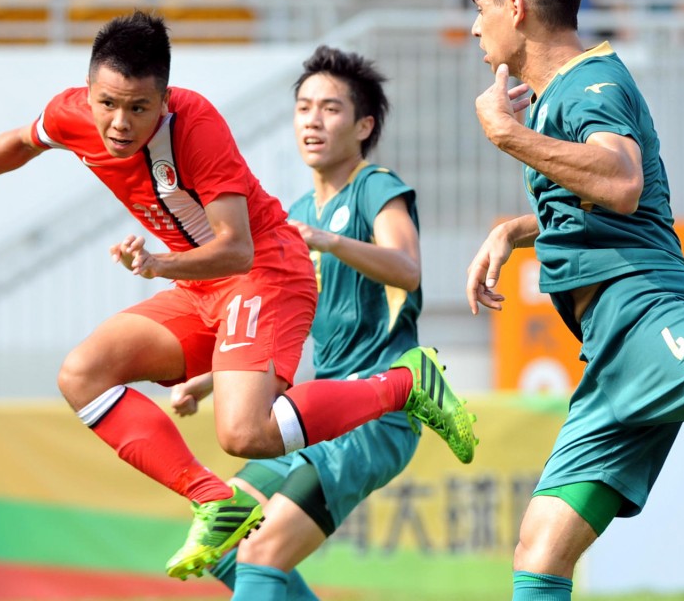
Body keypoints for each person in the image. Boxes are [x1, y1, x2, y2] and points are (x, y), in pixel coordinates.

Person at [0, 11, 478, 580]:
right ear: (88, 93)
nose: (119, 123)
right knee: (82, 373)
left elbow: (238, 250)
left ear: (164, 100)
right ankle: (213, 498)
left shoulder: (196, 127)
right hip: (199, 286)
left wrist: (159, 263)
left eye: (138, 108)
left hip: (265, 273)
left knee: (243, 436)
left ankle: (407, 384)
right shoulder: (72, 113)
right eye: (107, 104)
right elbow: (20, 141)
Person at [468, 0, 684, 599]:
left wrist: (508, 135)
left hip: (646, 309)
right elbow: (591, 205)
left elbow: (621, 180)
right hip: (610, 355)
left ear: (515, 8)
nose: (475, 26)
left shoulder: (589, 82)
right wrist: (513, 230)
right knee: (540, 552)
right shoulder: (561, 94)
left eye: (480, 8)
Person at [169, 45, 472, 599]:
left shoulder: (374, 186)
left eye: (330, 108)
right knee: (224, 540)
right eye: (304, 107)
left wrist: (328, 241)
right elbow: (276, 322)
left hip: (376, 413)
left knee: (261, 551)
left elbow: (407, 268)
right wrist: (209, 380)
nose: (313, 120)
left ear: (364, 125)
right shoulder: (297, 216)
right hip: (318, 411)